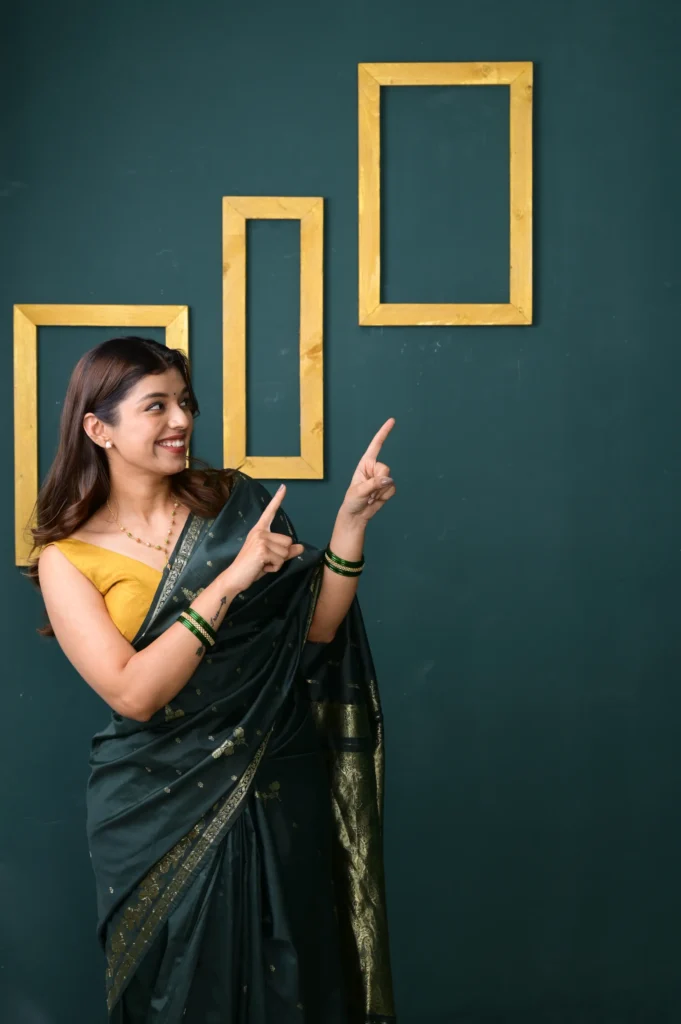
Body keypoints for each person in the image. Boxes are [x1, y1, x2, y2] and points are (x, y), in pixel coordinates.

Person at [30, 336, 397, 1024]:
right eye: (156, 406)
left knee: (296, 980)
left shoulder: (233, 504)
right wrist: (229, 581)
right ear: (98, 428)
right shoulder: (67, 559)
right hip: (157, 803)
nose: (181, 421)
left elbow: (315, 628)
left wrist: (350, 522)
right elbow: (134, 692)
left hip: (276, 778)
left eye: (185, 402)